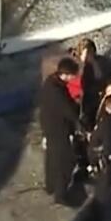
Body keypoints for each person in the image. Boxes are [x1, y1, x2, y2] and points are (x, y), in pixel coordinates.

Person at [39, 57, 83, 205]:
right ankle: (61, 194)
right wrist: (78, 119)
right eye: (73, 76)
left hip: (49, 126)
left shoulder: (50, 82)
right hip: (59, 129)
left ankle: (50, 185)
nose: (74, 78)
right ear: (66, 74)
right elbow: (69, 111)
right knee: (65, 161)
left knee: (51, 157)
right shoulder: (57, 91)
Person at [76, 39, 111, 130]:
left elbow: (103, 76)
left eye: (90, 52)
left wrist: (93, 63)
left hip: (100, 92)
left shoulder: (101, 61)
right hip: (85, 97)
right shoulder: (77, 65)